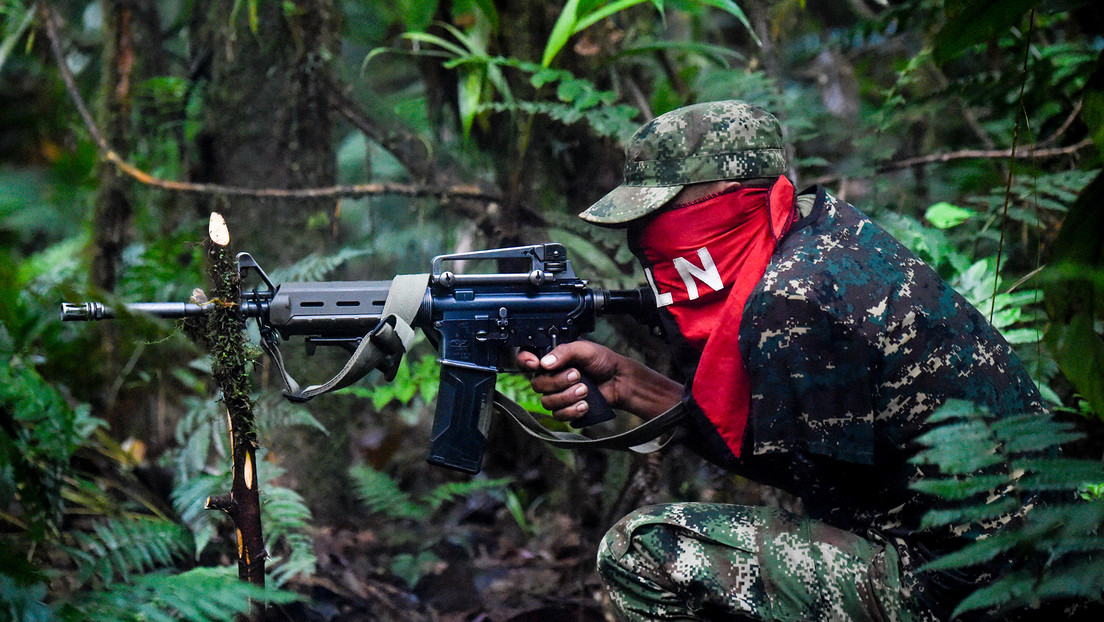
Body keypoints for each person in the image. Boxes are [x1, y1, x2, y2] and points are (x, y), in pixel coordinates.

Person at [516, 100, 1047, 621]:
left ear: (727, 195)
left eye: (661, 211)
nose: (647, 233)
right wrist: (635, 387)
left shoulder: (792, 298)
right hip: (1036, 553)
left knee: (642, 551)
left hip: (974, 589)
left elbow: (822, 492)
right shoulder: (822, 228)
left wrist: (649, 397)